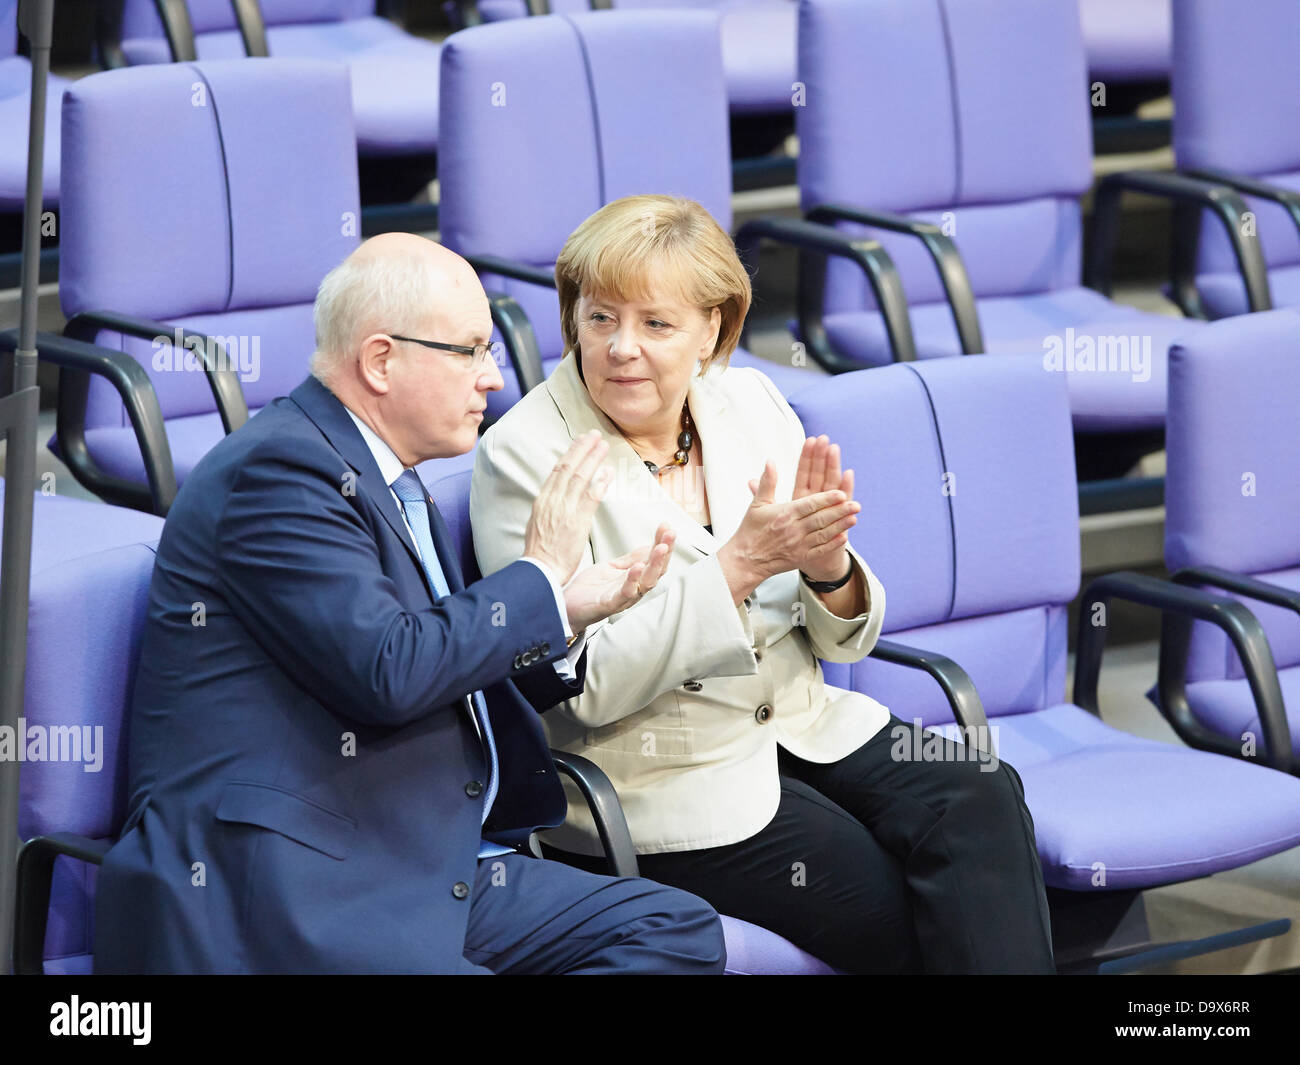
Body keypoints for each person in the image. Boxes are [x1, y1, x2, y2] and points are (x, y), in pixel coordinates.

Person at [94, 233, 726, 975]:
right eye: (470, 350)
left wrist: (568, 608)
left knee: (673, 929)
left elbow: (439, 661)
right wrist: (538, 573)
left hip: (428, 859)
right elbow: (389, 669)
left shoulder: (387, 475)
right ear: (381, 360)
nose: (493, 377)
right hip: (303, 883)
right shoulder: (280, 475)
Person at [471, 195, 1056, 974]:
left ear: (712, 328)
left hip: (803, 723)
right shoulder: (525, 454)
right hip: (661, 773)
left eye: (656, 323)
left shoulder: (748, 402)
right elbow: (574, 690)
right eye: (601, 317)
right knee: (903, 902)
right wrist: (737, 566)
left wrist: (828, 570)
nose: (621, 349)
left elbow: (843, 629)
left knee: (979, 794)